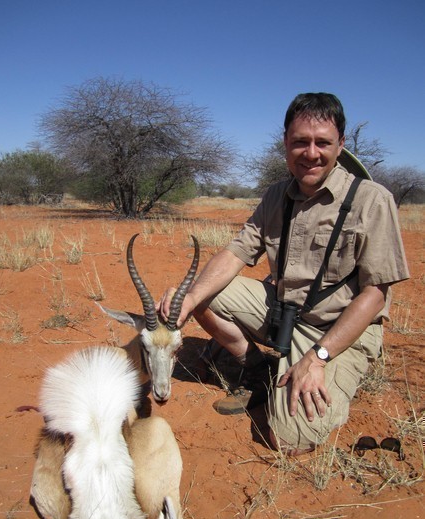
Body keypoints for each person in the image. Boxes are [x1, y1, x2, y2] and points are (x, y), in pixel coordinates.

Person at [159, 92, 409, 456]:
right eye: (300, 142)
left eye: (322, 142)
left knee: (289, 437)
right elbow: (236, 252)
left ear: (341, 144)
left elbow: (375, 295)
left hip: (339, 330)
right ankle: (260, 372)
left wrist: (318, 357)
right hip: (285, 314)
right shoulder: (277, 195)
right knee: (201, 293)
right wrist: (190, 298)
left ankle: (323, 372)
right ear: (285, 145)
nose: (311, 153)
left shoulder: (373, 200)